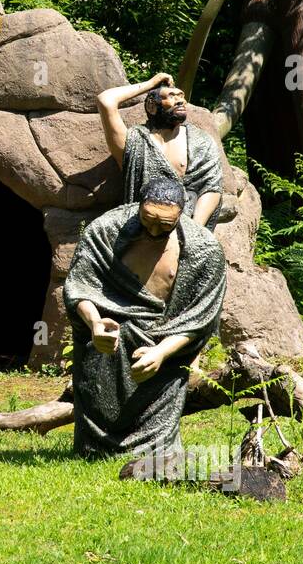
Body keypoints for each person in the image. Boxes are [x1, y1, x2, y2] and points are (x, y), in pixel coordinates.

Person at [62, 177, 227, 458]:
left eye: (164, 225)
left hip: (165, 339)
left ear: (182, 214)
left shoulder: (204, 250)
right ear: (138, 206)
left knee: (157, 442)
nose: (152, 230)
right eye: (147, 219)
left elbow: (200, 317)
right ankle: (95, 448)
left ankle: (154, 447)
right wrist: (94, 323)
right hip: (109, 336)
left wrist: (162, 352)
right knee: (97, 386)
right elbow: (80, 285)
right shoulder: (105, 230)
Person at [97, 72, 225, 229]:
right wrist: (151, 83)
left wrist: (194, 230)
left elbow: (212, 187)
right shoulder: (135, 142)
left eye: (181, 96)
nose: (180, 101)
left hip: (189, 227)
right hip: (143, 228)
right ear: (152, 106)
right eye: (171, 96)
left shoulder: (201, 142)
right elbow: (105, 100)